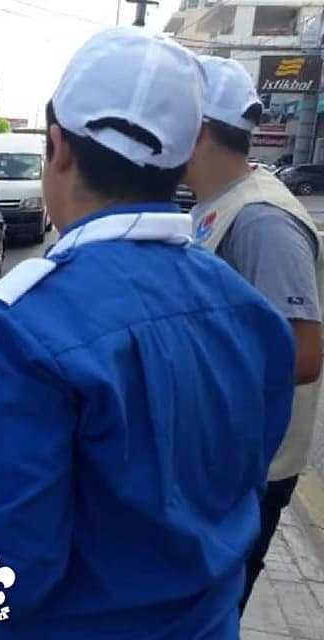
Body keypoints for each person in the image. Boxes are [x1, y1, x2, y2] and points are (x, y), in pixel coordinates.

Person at [0, 28, 296, 639]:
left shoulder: (23, 326)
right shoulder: (251, 312)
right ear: (183, 160)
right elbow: (236, 488)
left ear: (57, 147)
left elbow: (0, 575)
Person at [184, 55, 324, 612]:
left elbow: (303, 354)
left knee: (207, 612)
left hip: (250, 471)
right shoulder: (220, 205)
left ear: (197, 129)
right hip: (223, 459)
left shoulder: (263, 220)